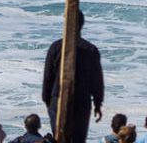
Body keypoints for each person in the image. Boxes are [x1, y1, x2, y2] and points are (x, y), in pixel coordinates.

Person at [39, 13, 104, 143]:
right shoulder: (91, 50)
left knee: (59, 139)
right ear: (81, 25)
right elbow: (97, 81)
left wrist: (48, 100)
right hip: (81, 101)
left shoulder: (56, 47)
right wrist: (97, 103)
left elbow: (48, 78)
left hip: (58, 98)